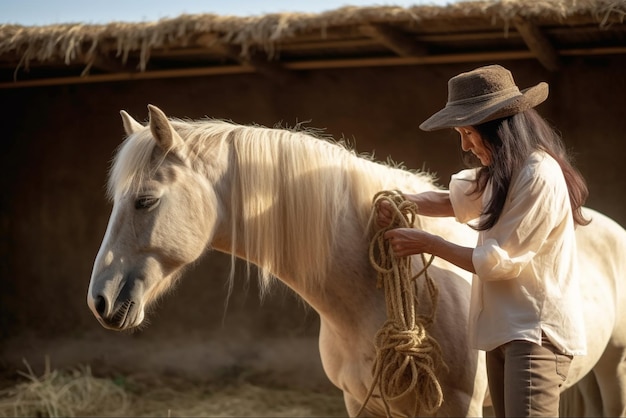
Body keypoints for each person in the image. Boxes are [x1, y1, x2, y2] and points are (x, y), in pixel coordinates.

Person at [377, 65, 589, 417]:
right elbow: (450, 200)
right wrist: (400, 201)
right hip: (506, 332)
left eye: (469, 132)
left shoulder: (537, 174)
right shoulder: (505, 173)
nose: (465, 145)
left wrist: (426, 243)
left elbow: (498, 261)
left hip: (534, 335)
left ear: (498, 129)